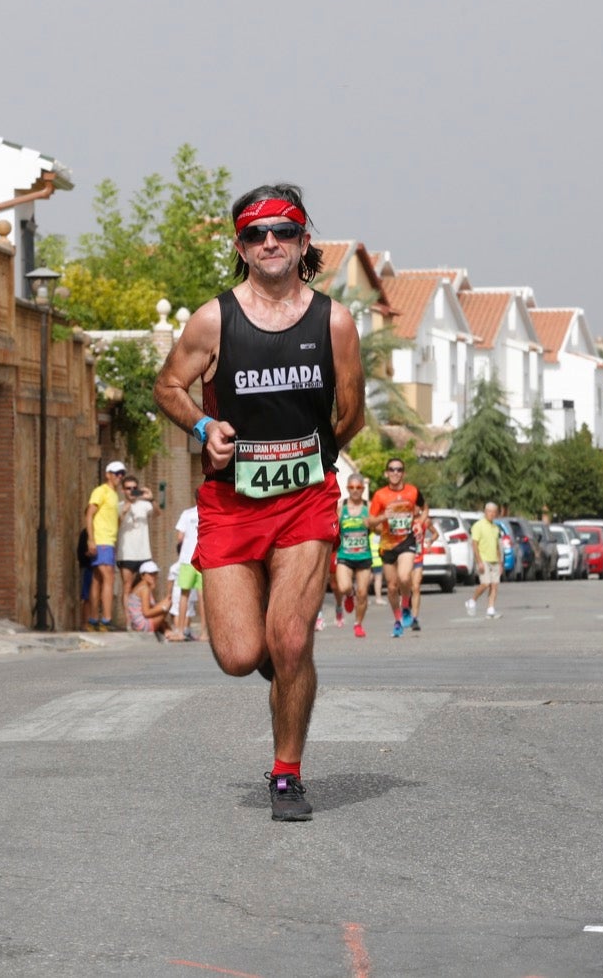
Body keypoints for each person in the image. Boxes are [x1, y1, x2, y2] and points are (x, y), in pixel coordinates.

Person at [152, 182, 364, 822]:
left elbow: (350, 414)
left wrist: (314, 456)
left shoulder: (334, 321)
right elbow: (167, 385)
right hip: (231, 501)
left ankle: (287, 774)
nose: (269, 242)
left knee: (292, 638)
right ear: (241, 247)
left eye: (283, 230)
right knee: (241, 655)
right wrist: (202, 429)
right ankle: (281, 662)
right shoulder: (214, 319)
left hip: (305, 501)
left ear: (304, 242)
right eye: (254, 233)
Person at [369, 459, 426, 638]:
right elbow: (370, 522)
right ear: (386, 473)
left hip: (406, 541)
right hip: (387, 544)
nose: (395, 472)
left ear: (403, 473)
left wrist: (420, 522)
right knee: (392, 587)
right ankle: (397, 619)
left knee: (404, 576)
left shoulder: (412, 491)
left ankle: (407, 605)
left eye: (399, 469)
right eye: (392, 469)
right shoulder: (380, 495)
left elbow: (424, 508)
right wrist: (383, 517)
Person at [84, 461, 127, 631]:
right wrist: (90, 539)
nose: (119, 477)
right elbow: (89, 514)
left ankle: (94, 618)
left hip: (108, 541)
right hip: (102, 541)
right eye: (116, 473)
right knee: (109, 577)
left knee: (97, 579)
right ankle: (107, 619)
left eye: (122, 473)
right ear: (107, 474)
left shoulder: (115, 495)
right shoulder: (100, 491)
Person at [334, 474, 374, 638]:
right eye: (352, 487)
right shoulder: (341, 506)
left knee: (363, 593)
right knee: (343, 587)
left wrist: (371, 523)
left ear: (363, 489)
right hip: (345, 554)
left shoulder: (369, 506)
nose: (355, 491)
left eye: (358, 488)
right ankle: (349, 595)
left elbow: (378, 528)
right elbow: (333, 528)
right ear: (347, 488)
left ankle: (358, 624)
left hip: (364, 556)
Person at [116, 475, 160, 617]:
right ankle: (129, 620)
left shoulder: (144, 505)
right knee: (127, 586)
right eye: (128, 488)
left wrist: (151, 498)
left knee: (148, 584)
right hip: (127, 553)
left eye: (135, 488)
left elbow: (158, 513)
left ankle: (144, 615)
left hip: (144, 553)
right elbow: (115, 524)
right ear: (123, 490)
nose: (132, 491)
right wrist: (124, 510)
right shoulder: (119, 506)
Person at [172, 503, 207, 641]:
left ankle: (180, 631)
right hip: (202, 558)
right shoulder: (207, 512)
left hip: (187, 559)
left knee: (184, 596)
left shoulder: (187, 514)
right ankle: (204, 633)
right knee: (202, 597)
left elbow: (180, 537)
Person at [467, 502, 504, 618]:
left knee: (494, 585)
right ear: (485, 512)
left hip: (494, 560)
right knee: (485, 583)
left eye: (494, 512)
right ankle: (472, 600)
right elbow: (474, 544)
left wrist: (500, 562)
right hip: (484, 559)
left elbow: (497, 546)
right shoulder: (478, 525)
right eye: (489, 511)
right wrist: (479, 561)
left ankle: (491, 609)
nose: (492, 514)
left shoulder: (495, 528)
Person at [125, 561, 174, 637]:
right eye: (150, 574)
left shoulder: (143, 586)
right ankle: (167, 630)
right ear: (142, 576)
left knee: (166, 602)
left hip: (138, 624)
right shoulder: (144, 589)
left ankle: (166, 630)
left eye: (155, 574)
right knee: (167, 604)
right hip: (143, 626)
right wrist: (163, 608)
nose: (153, 576)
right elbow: (147, 613)